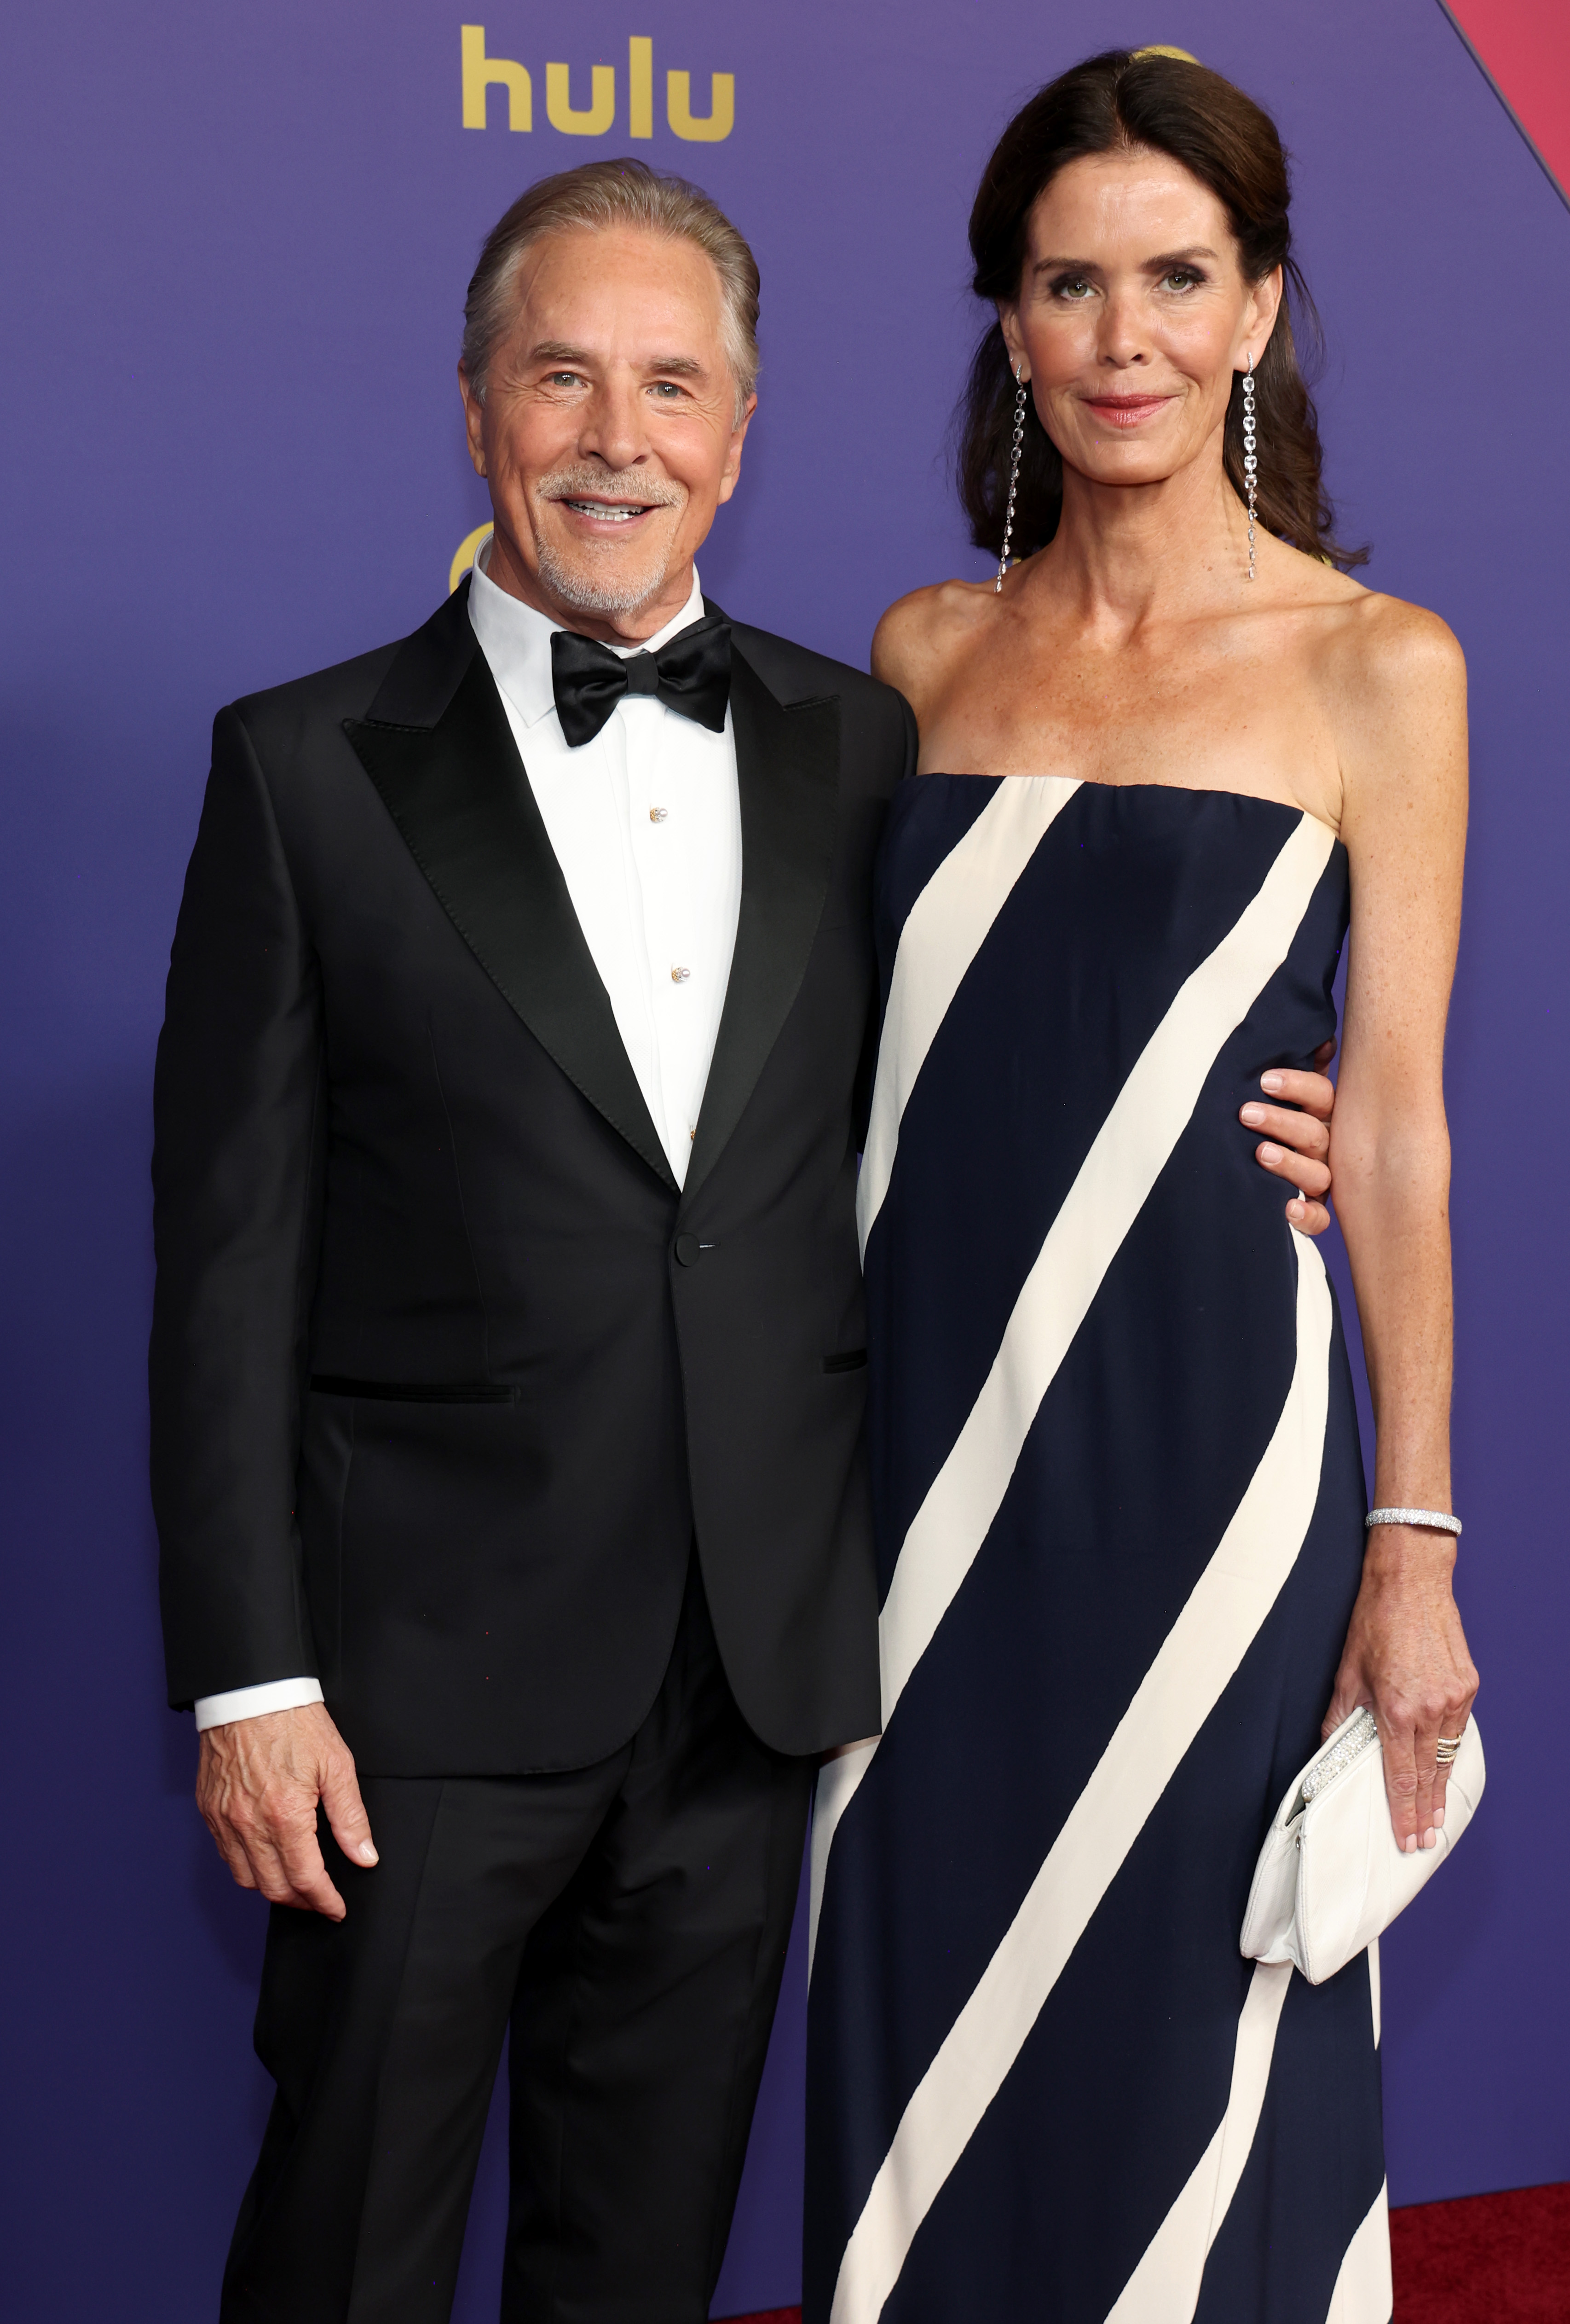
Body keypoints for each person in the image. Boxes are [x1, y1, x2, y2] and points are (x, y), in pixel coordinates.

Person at [150, 157, 1341, 2323]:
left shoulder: (857, 745)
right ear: (477, 403)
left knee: (646, 2264)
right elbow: (226, 1267)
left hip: (754, 1679)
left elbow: (1003, 1062)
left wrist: (1268, 1113)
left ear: (742, 430)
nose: (620, 440)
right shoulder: (304, 769)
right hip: (407, 1694)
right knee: (346, 2252)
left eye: (673, 387)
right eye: (566, 379)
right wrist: (254, 1681)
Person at [806, 50, 1477, 2324]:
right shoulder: (918, 657)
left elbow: (1390, 1121)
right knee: (927, 2053)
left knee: (1208, 2057)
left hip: (1216, 1476)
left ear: (1262, 306)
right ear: (1009, 322)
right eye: (1071, 283)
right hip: (926, 1488)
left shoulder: (1383, 672)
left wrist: (1415, 1550)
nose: (1126, 338)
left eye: (1179, 278)